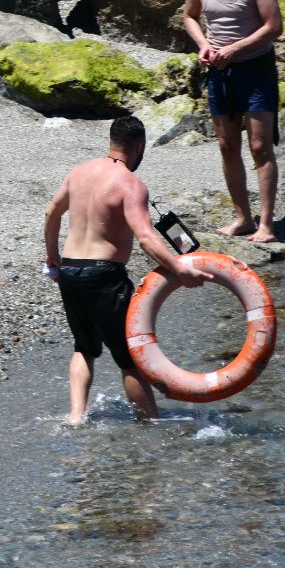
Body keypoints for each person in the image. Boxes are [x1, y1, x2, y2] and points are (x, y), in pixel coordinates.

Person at [43, 117, 210, 425]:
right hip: (104, 275)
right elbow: (146, 238)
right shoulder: (130, 184)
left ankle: (75, 416)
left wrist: (52, 256)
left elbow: (52, 212)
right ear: (139, 147)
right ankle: (149, 424)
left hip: (70, 271)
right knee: (129, 359)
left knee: (84, 347)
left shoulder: (80, 171)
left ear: (111, 141)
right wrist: (180, 271)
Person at [182, 0, 284, 243]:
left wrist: (234, 49)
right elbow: (189, 17)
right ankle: (242, 217)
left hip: (255, 69)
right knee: (228, 146)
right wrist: (204, 45)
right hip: (219, 71)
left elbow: (274, 27)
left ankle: (266, 223)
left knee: (260, 147)